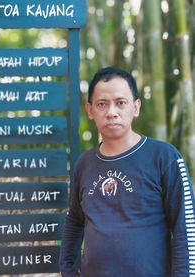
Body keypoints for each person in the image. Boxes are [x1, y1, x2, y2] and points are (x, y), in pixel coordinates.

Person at [59, 66, 195, 277]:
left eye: (120, 103)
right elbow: (74, 221)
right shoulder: (84, 164)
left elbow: (185, 227)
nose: (112, 112)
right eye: (102, 104)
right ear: (90, 110)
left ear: (136, 107)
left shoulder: (164, 157)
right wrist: (67, 269)